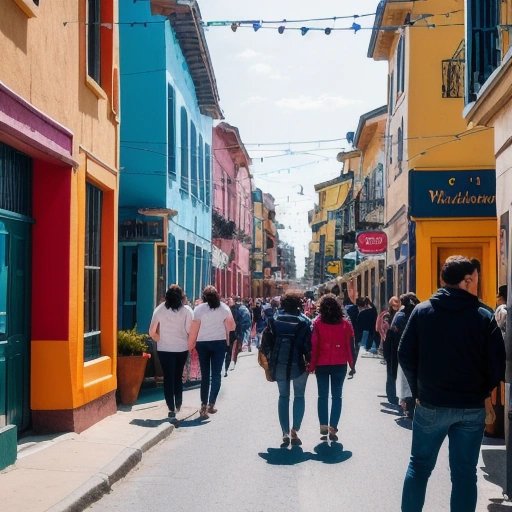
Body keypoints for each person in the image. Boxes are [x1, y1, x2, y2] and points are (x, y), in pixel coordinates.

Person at [398, 255, 505, 512]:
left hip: (431, 403)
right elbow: (497, 362)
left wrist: (417, 390)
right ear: (467, 281)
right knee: (465, 474)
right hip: (470, 407)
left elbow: (404, 352)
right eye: (477, 280)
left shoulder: (423, 311)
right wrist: (484, 392)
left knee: (419, 467)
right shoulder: (483, 315)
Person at [261, 289, 312, 446]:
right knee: (299, 396)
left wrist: (269, 361)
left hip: (279, 363)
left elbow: (266, 343)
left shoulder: (274, 319)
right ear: (299, 304)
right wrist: (310, 362)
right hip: (299, 364)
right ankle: (294, 430)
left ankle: (284, 432)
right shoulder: (305, 321)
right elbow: (308, 346)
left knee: (283, 397)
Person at [309, 294, 355, 441]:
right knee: (337, 397)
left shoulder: (317, 323)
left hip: (321, 364)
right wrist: (352, 365)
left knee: (322, 396)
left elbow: (314, 346)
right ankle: (333, 428)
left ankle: (323, 424)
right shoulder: (345, 324)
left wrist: (311, 366)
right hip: (339, 364)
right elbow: (350, 347)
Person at [188, 286, 236, 419]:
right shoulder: (224, 308)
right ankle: (211, 403)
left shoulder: (199, 309)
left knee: (205, 375)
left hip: (202, 343)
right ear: (217, 295)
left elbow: (194, 328)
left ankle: (203, 405)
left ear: (204, 297)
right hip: (219, 343)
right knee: (216, 375)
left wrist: (190, 344)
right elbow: (232, 326)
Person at [148, 284, 193, 419]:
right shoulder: (187, 311)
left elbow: (151, 331)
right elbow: (189, 330)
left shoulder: (159, 310)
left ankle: (171, 407)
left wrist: (160, 339)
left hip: (164, 349)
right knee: (178, 376)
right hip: (181, 348)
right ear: (182, 297)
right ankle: (178, 403)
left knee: (168, 377)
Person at [383, 293, 419, 407]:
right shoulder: (418, 313)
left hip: (397, 351)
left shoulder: (399, 316)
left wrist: (387, 353)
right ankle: (411, 400)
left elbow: (391, 334)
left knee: (394, 374)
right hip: (415, 351)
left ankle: (396, 398)